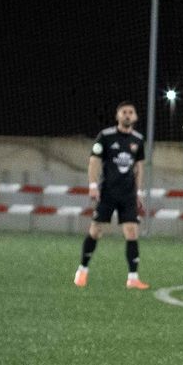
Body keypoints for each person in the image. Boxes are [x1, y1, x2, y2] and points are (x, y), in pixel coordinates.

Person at [74, 101, 148, 290]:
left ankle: (133, 278)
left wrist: (138, 192)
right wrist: (93, 185)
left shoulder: (138, 140)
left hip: (128, 194)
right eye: (124, 112)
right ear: (117, 116)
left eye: (131, 112)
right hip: (107, 192)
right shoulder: (105, 136)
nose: (127, 115)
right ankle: (82, 270)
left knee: (132, 231)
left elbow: (139, 167)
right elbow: (94, 161)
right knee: (96, 230)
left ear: (135, 117)